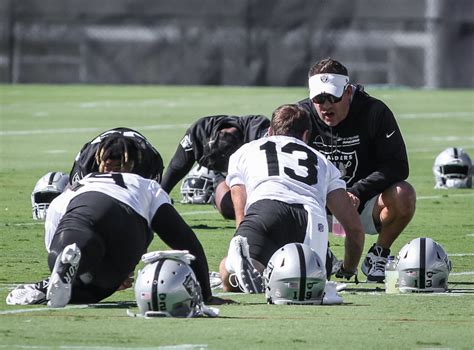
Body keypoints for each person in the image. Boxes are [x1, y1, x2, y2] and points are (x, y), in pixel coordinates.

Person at [7, 135, 227, 307]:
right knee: (101, 285)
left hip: (80, 213)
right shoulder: (146, 185)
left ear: (99, 161)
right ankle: (78, 273)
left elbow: (55, 215)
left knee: (72, 262)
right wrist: (206, 295)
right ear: (134, 162)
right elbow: (185, 240)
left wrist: (58, 261)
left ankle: (66, 268)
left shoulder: (79, 183)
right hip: (124, 222)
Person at [218, 104, 365, 293]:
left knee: (229, 276)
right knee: (306, 282)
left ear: (270, 131)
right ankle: (290, 271)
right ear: (305, 136)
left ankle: (240, 266)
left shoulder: (247, 150)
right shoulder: (322, 160)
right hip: (312, 218)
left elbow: (239, 197)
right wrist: (348, 268)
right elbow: (354, 228)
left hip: (266, 208)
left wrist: (243, 236)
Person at [298, 57, 417, 282]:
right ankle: (316, 256)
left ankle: (379, 253)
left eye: (333, 96)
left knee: (404, 194)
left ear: (349, 91)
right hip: (315, 205)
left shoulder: (374, 112)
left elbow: (398, 165)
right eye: (319, 98)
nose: (326, 105)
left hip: (362, 203)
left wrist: (357, 192)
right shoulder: (299, 115)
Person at [161, 114, 270, 219]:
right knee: (229, 209)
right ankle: (216, 183)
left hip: (256, 172)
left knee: (260, 207)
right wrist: (159, 199)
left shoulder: (260, 134)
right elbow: (175, 168)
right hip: (223, 173)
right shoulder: (198, 133)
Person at [69, 127, 164, 184]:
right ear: (99, 160)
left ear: (131, 164)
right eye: (108, 167)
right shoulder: (87, 162)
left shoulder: (149, 161)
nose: (111, 173)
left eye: (117, 168)